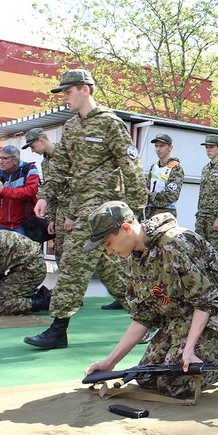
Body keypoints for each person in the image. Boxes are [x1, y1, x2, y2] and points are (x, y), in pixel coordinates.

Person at [83, 201, 218, 397]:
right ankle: (194, 357)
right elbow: (143, 316)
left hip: (215, 314)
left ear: (126, 228)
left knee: (176, 384)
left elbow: (206, 300)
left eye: (108, 243)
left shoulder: (175, 243)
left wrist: (188, 351)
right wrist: (111, 362)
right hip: (181, 318)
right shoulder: (136, 258)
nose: (109, 251)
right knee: (146, 376)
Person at [23, 69, 147, 350]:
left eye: (67, 92)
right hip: (81, 207)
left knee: (72, 265)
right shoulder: (71, 127)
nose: (64, 97)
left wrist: (138, 209)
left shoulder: (110, 124)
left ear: (85, 89)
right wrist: (45, 197)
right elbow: (61, 167)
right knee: (112, 271)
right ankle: (150, 317)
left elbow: (131, 166)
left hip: (105, 209)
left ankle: (58, 329)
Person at [23, 128, 65, 262]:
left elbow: (77, 186)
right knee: (60, 253)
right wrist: (51, 219)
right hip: (60, 216)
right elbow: (50, 192)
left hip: (75, 214)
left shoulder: (66, 154)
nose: (32, 150)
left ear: (41, 140)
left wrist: (71, 215)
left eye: (32, 146)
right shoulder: (45, 163)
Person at [0, 144, 39, 234]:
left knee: (22, 247)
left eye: (5, 158)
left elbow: (30, 192)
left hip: (22, 224)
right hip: (1, 223)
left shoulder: (29, 169)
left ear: (15, 160)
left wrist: (3, 190)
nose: (1, 162)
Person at [194, 134, 218, 261]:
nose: (208, 150)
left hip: (214, 218)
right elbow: (202, 194)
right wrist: (198, 214)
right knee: (200, 251)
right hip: (202, 217)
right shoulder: (205, 169)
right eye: (206, 147)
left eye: (211, 147)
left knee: (216, 254)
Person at [145, 133, 184, 219]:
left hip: (165, 214)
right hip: (149, 213)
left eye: (161, 146)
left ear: (170, 148)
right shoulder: (154, 166)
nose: (158, 149)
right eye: (156, 146)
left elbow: (172, 195)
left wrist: (150, 195)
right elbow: (147, 187)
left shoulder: (176, 167)